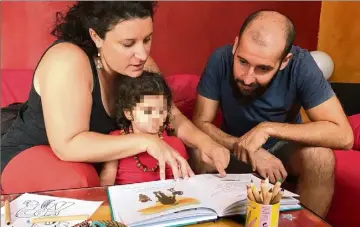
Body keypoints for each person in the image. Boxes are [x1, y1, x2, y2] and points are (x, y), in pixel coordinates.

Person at [1, 1, 230, 189]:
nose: (141, 54)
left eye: (147, 39)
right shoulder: (68, 60)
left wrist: (207, 144)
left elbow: (172, 116)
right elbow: (68, 145)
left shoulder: (141, 65)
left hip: (95, 160)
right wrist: (145, 141)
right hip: (33, 152)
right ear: (97, 37)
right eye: (128, 43)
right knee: (79, 180)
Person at [193, 10, 353, 218]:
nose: (248, 78)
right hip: (232, 145)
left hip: (281, 148)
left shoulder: (301, 65)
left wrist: (267, 129)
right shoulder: (220, 59)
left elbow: (344, 135)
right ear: (235, 45)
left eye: (263, 68)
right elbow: (200, 121)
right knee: (200, 153)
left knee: (320, 157)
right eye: (242, 62)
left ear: (284, 61)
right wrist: (243, 146)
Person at [100, 72, 190, 185]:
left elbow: (185, 184)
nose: (157, 116)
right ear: (128, 113)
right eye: (148, 111)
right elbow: (106, 183)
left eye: (162, 111)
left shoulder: (175, 145)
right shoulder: (116, 140)